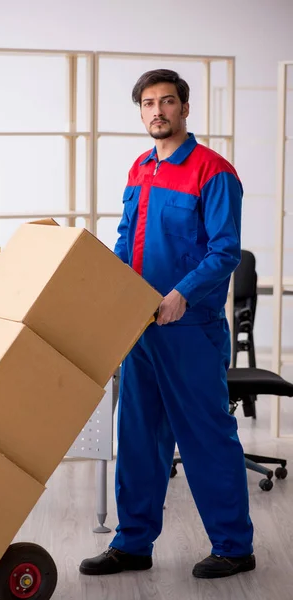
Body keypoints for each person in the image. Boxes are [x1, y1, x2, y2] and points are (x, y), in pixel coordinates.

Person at [79, 69, 255, 579]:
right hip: (139, 329)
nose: (158, 111)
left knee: (206, 438)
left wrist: (181, 294)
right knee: (136, 437)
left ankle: (234, 546)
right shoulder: (139, 169)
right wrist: (109, 292)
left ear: (185, 108)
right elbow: (125, 237)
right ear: (140, 111)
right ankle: (132, 544)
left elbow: (225, 251)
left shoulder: (213, 172)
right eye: (149, 103)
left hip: (189, 330)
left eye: (168, 102)